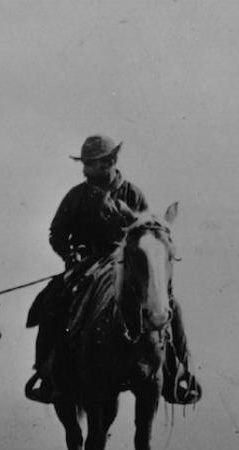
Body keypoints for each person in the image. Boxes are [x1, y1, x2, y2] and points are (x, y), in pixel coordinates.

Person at [25, 134, 201, 405]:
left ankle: (178, 372)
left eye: (91, 164)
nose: (85, 169)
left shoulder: (133, 193)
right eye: (84, 164)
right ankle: (47, 374)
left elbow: (148, 233)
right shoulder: (76, 196)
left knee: (169, 306)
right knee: (50, 300)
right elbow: (56, 232)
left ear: (110, 162)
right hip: (87, 263)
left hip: (125, 263)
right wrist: (69, 254)